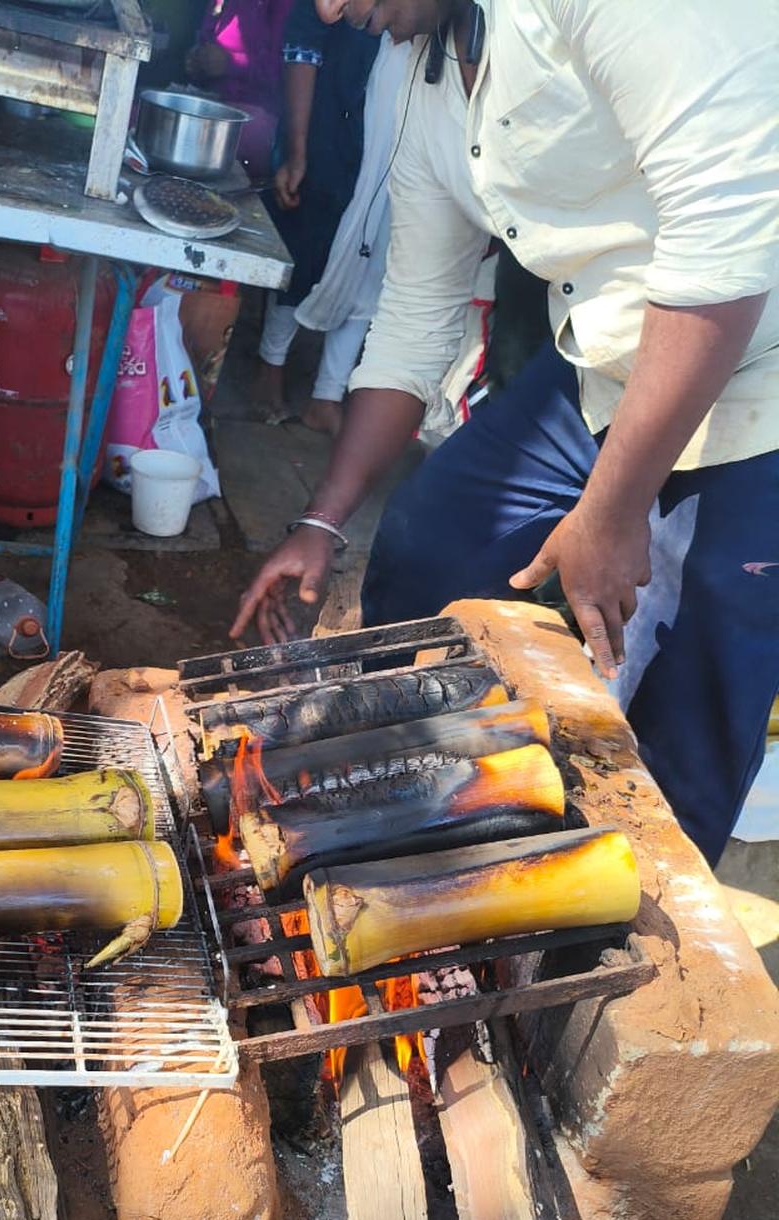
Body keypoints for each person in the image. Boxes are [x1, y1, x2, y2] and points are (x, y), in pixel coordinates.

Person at [232, 0, 779, 866]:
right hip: (612, 357)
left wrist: (611, 511)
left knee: (682, 700)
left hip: (759, 370)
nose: (333, 9)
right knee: (431, 542)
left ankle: (625, 952)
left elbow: (725, 251)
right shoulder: (415, 67)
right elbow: (415, 312)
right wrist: (322, 523)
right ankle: (409, 811)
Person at [255, 0, 383, 434]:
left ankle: (327, 395)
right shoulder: (326, 14)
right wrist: (297, 151)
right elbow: (303, 47)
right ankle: (270, 365)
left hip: (386, 142)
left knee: (371, 261)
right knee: (305, 247)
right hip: (324, 126)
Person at [185, 0, 293, 178]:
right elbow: (207, 41)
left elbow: (287, 70)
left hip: (256, 115)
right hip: (212, 102)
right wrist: (197, 61)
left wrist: (230, 65)